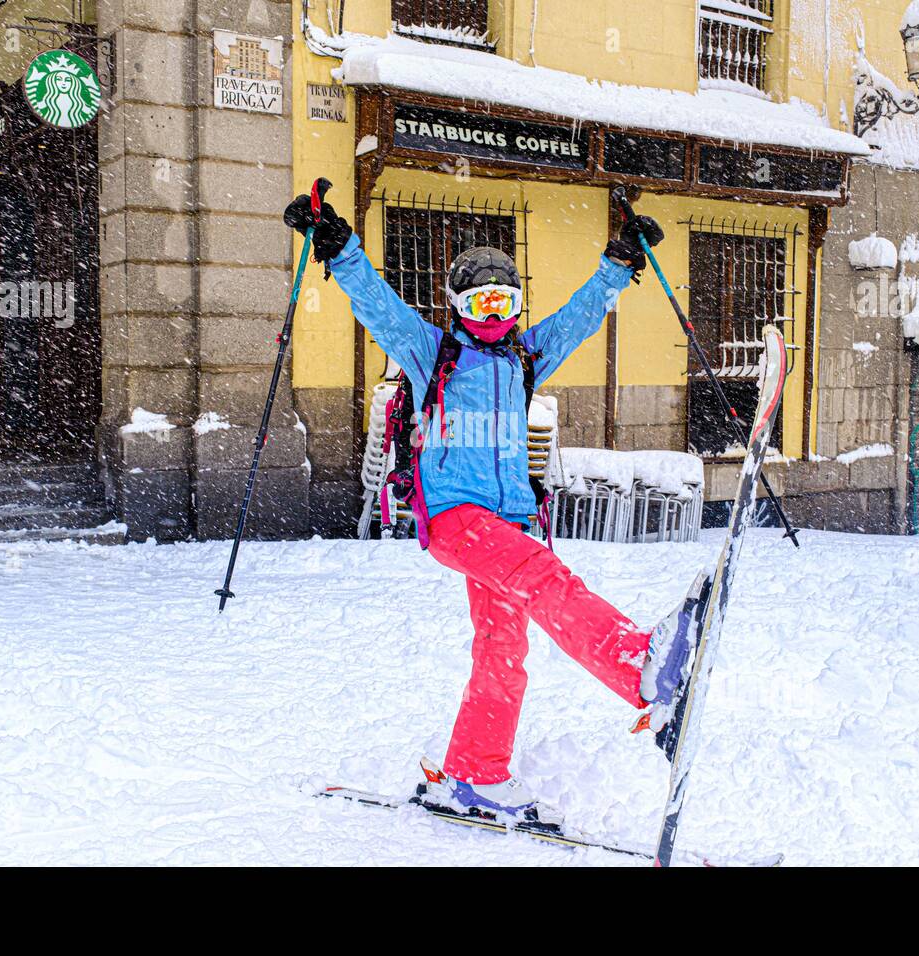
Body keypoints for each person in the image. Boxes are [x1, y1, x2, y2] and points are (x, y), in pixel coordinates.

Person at [284, 192, 693, 826]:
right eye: (481, 303)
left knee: (503, 647)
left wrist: (619, 260)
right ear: (458, 307)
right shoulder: (434, 354)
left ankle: (474, 774)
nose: (493, 314)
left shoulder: (526, 357)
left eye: (504, 302)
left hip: (509, 522)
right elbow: (379, 307)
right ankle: (639, 666)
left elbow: (580, 317)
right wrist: (337, 246)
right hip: (455, 517)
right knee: (547, 580)